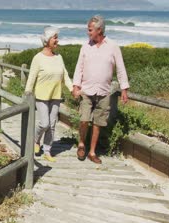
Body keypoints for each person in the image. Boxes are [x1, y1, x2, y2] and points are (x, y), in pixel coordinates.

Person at [72, 15, 129, 164]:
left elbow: (121, 68)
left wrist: (124, 89)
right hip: (86, 90)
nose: (88, 32)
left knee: (98, 123)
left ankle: (92, 152)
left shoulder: (113, 46)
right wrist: (75, 86)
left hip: (104, 92)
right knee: (84, 120)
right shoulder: (85, 46)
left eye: (90, 30)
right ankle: (81, 143)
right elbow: (79, 68)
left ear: (99, 30)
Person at [25, 26, 73, 162]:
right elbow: (31, 77)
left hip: (55, 95)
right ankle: (36, 140)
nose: (57, 40)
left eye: (57, 37)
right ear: (47, 40)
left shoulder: (59, 57)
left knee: (52, 124)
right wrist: (27, 92)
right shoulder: (38, 58)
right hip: (41, 96)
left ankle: (47, 151)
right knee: (44, 123)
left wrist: (72, 89)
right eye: (55, 37)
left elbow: (65, 75)